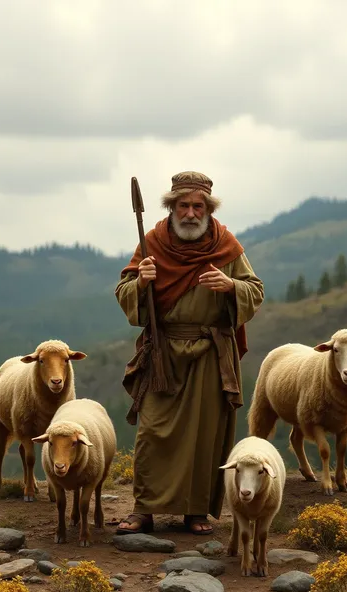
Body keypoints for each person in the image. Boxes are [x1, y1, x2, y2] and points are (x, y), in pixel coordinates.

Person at [114, 171, 264, 535]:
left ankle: (196, 512)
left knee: (204, 434)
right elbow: (124, 290)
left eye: (199, 206)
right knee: (153, 432)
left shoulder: (226, 245)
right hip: (163, 355)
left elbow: (255, 290)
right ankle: (144, 509)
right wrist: (141, 282)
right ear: (172, 207)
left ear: (208, 209)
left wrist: (231, 286)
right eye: (184, 205)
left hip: (210, 356)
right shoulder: (153, 243)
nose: (191, 213)